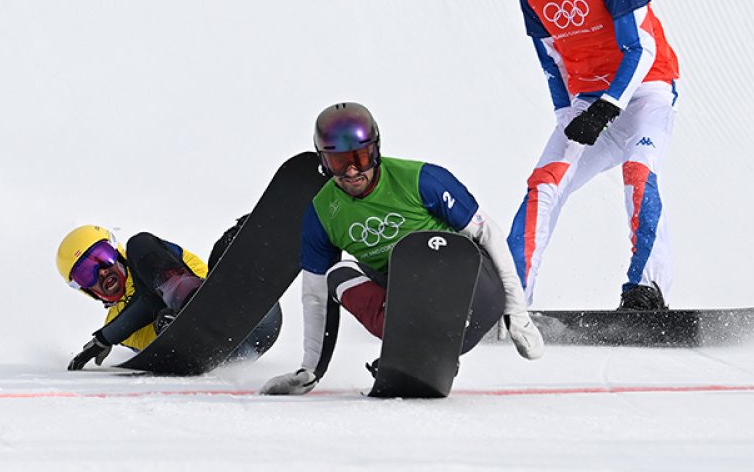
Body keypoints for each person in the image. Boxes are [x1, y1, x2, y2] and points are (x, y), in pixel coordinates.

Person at [260, 102, 543, 395]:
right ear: (323, 162)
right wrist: (310, 370)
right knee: (338, 274)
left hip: (474, 294)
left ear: (376, 150)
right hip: (404, 305)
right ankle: (412, 346)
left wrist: (516, 310)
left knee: (427, 249)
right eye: (339, 163)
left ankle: (437, 333)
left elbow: (488, 234)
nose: (352, 171)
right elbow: (315, 296)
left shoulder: (422, 179)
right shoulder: (321, 213)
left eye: (360, 157)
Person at [509, 0, 682, 311]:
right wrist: (568, 114)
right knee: (544, 186)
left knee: (638, 175)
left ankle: (645, 288)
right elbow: (552, 62)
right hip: (590, 104)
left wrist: (608, 106)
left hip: (644, 93)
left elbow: (641, 48)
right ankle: (514, 295)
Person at [57, 221, 281, 370]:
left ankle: (269, 226)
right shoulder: (116, 322)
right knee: (161, 313)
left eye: (101, 257)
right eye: (87, 273)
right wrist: (109, 335)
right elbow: (145, 314)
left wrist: (106, 338)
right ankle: (187, 312)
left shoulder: (156, 259)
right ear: (85, 289)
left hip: (254, 319)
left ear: (116, 253)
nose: (102, 271)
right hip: (213, 350)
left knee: (143, 244)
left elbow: (144, 301)